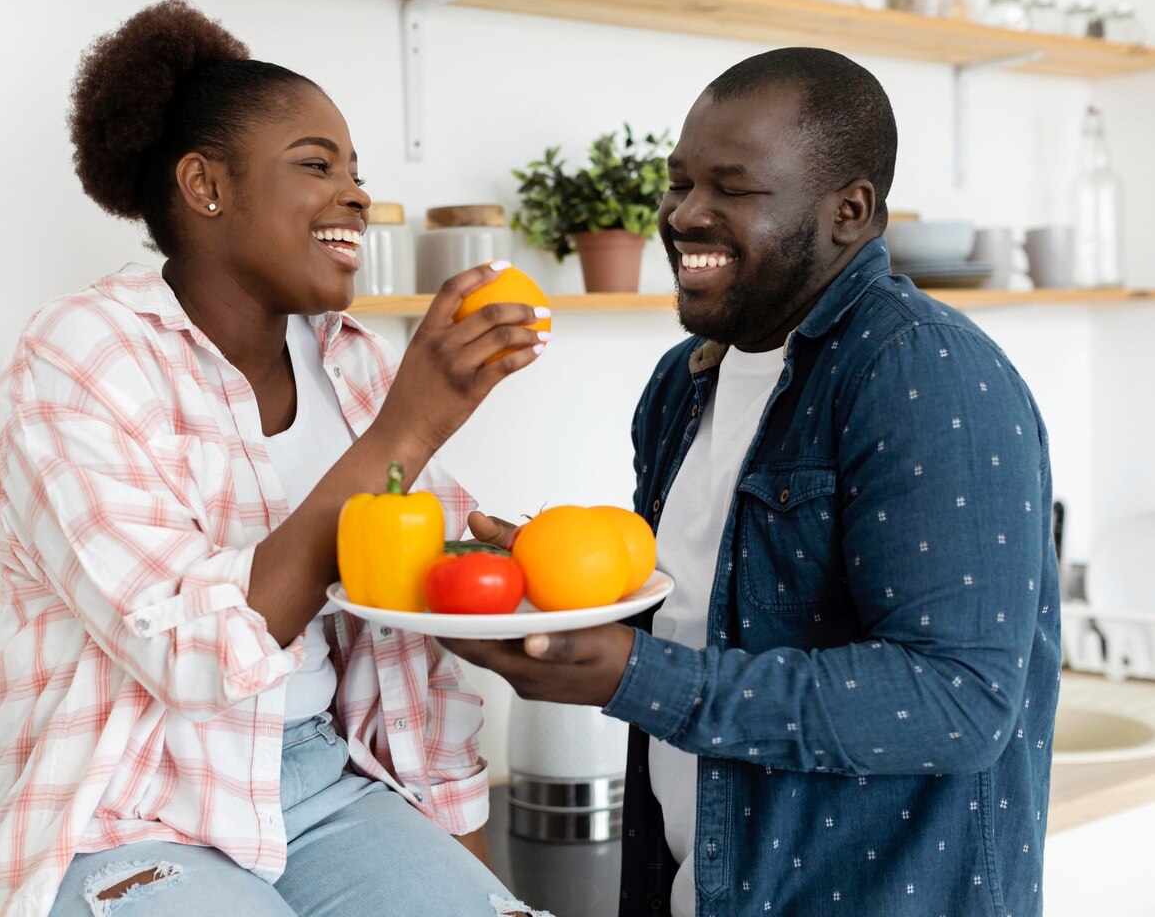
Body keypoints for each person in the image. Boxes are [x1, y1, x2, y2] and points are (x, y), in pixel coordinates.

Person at [0, 1, 554, 915]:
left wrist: (518, 586)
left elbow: (410, 625)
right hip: (128, 806)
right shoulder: (78, 358)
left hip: (321, 779)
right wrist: (405, 432)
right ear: (205, 185)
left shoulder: (352, 363)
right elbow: (190, 659)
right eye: (317, 165)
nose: (356, 195)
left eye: (358, 173)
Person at [448, 47, 1059, 917]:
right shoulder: (682, 383)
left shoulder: (921, 369)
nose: (683, 215)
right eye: (678, 182)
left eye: (731, 189)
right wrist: (556, 589)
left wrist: (634, 676)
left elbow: (958, 700)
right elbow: (710, 611)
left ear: (849, 210)